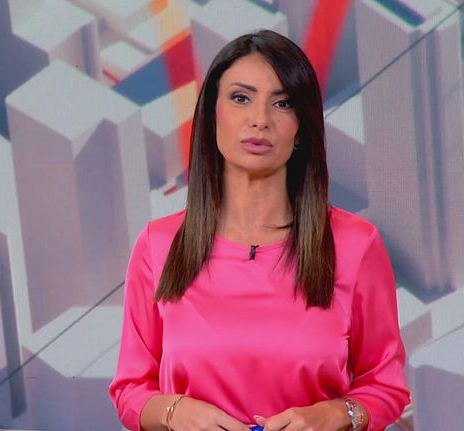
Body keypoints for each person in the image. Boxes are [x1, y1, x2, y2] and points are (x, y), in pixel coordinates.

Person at [109, 29, 410, 431]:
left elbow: (386, 386)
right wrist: (175, 412)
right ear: (211, 115)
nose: (260, 120)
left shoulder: (356, 244)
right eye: (241, 98)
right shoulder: (158, 245)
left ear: (301, 127)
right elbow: (130, 389)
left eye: (282, 103)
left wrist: (335, 414)